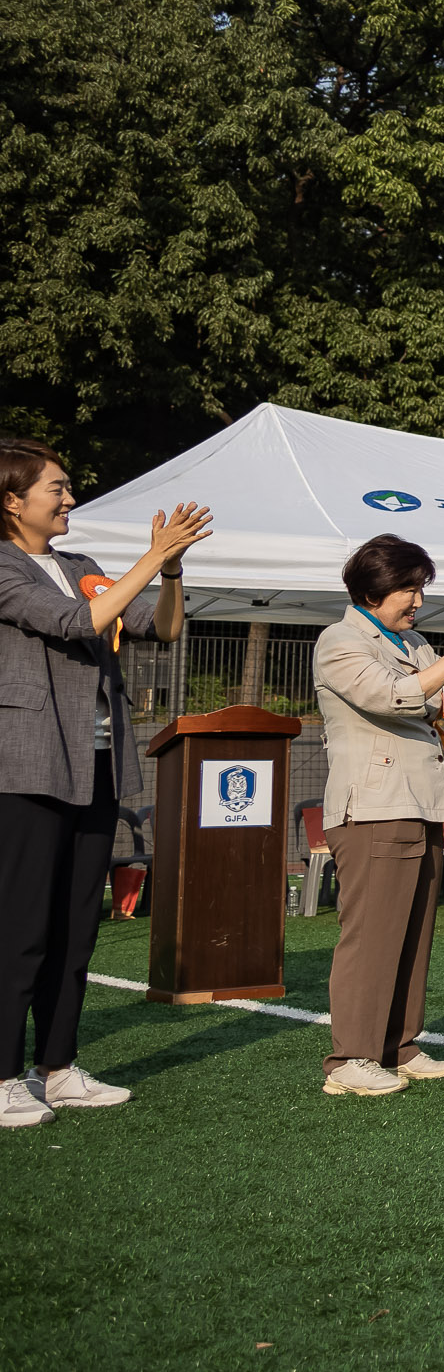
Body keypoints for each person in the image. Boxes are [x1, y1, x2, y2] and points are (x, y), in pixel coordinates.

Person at [0, 442, 207, 1127]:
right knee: (22, 927)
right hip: (28, 767)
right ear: (12, 499)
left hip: (94, 765)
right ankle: (3, 1076)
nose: (69, 500)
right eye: (56, 489)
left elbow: (162, 625)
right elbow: (74, 622)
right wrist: (150, 558)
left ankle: (56, 1067)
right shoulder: (3, 566)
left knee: (74, 929)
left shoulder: (82, 567)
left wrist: (170, 569)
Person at [312, 536, 444, 1095]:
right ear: (371, 589)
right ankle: (349, 1059)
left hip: (419, 803)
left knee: (412, 933)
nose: (416, 600)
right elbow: (393, 697)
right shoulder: (339, 640)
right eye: (408, 588)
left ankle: (398, 1046)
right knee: (370, 936)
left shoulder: (407, 640)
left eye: (419, 587)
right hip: (372, 807)